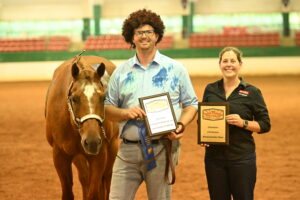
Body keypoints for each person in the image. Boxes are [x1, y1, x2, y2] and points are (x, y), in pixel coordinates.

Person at [104, 9, 198, 200]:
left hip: (162, 148)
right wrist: (125, 113)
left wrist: (180, 125)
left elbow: (191, 104)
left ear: (157, 36)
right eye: (139, 32)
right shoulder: (120, 72)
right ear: (132, 37)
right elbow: (107, 108)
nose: (144, 36)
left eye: (148, 32)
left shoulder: (176, 69)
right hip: (127, 150)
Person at [201, 46, 271, 200]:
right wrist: (204, 136)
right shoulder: (210, 89)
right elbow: (203, 117)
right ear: (220, 64)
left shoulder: (252, 92)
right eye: (225, 61)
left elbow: (265, 124)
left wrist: (243, 123)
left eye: (233, 61)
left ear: (240, 64)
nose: (229, 64)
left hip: (242, 158)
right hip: (214, 159)